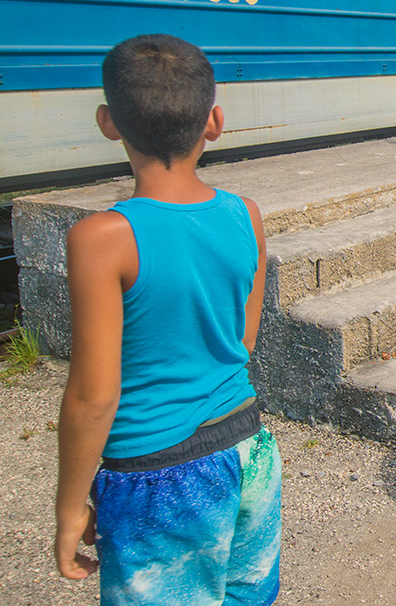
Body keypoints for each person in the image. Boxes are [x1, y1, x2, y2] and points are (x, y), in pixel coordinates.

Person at [55, 35, 280, 603]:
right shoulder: (244, 214)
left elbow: (93, 396)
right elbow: (243, 339)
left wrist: (68, 511)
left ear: (109, 122)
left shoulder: (102, 239)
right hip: (248, 450)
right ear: (215, 121)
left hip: (156, 476)